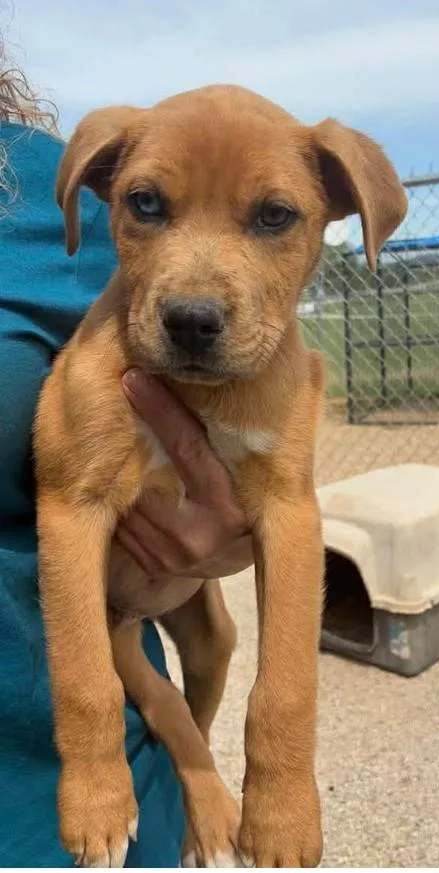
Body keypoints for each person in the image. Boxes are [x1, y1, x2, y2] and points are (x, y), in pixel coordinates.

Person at [0, 39, 252, 867]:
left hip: (56, 807)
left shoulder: (56, 186)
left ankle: (187, 763)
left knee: (214, 637)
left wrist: (231, 520)